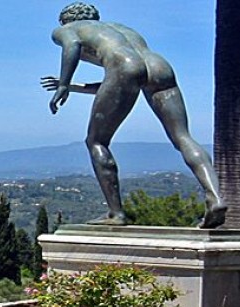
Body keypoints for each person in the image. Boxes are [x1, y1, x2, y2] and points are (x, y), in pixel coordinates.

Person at [42, 2, 227, 228]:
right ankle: (214, 197)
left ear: (65, 19)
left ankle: (115, 214)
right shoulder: (120, 29)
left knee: (96, 141)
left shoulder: (67, 29)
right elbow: (122, 81)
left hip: (124, 67)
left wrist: (63, 84)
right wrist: (73, 87)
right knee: (183, 137)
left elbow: (74, 45)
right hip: (159, 66)